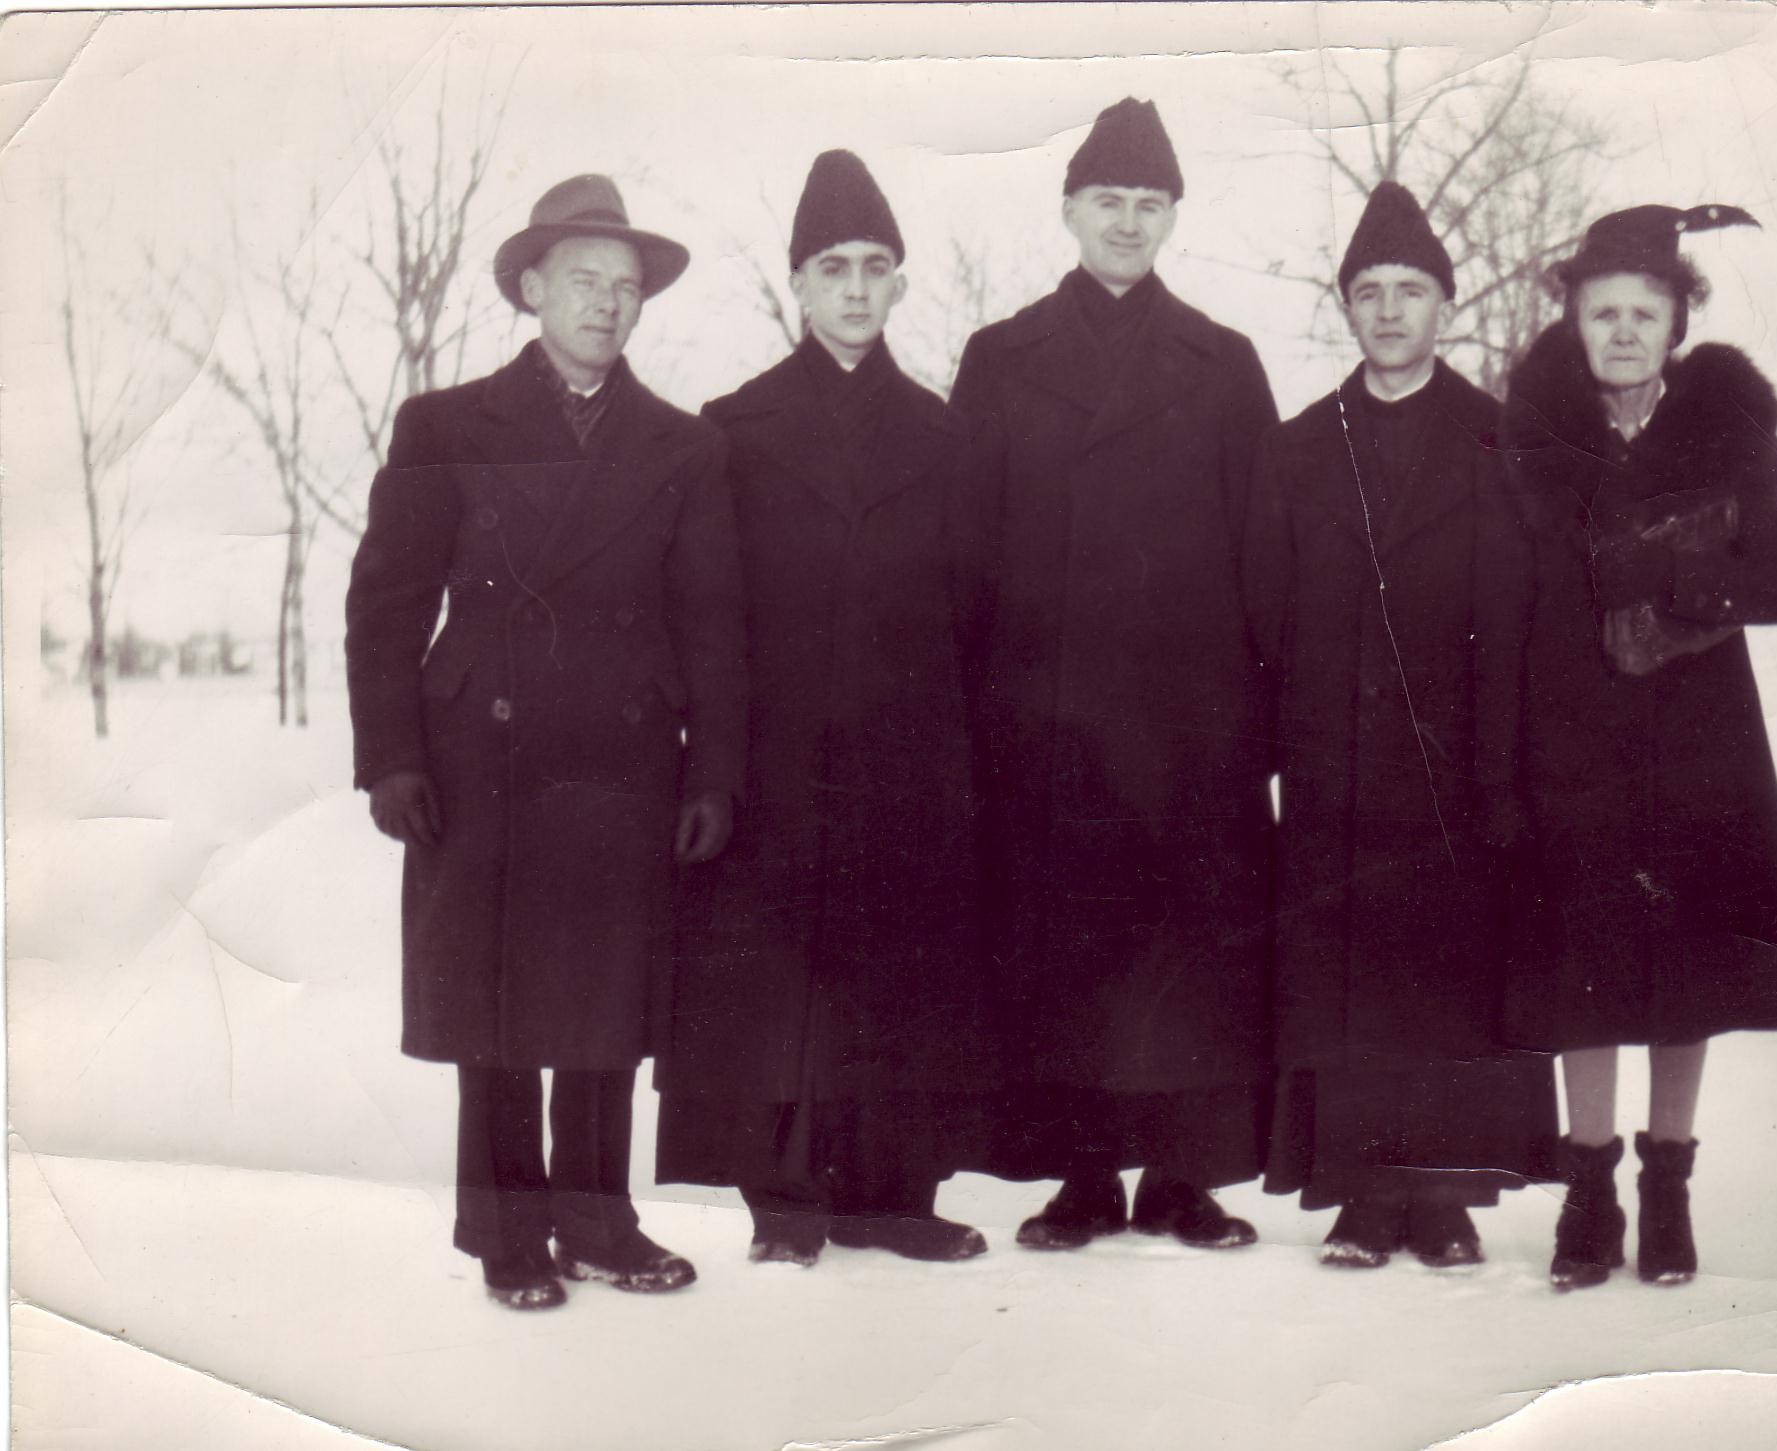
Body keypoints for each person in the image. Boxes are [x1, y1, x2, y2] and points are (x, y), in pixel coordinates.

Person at [345, 175, 747, 1311]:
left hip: (624, 755)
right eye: (584, 281)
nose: (607, 306)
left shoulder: (683, 446)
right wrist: (392, 756)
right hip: (484, 754)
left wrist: (712, 768)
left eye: (626, 288)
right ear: (531, 288)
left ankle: (599, 1219)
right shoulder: (443, 425)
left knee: (607, 998)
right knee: (500, 999)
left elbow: (712, 622)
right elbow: (384, 606)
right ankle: (507, 1229)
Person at [951, 97, 1280, 1251]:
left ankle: (1184, 1176)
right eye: (1108, 201)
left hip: (1192, 723)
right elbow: (965, 555)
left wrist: (1256, 724)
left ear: (1172, 216)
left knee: (1186, 948)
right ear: (1068, 211)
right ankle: (1084, 1174)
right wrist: (983, 713)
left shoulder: (1225, 363)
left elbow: (1265, 558)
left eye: (1148, 203)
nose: (1127, 222)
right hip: (1050, 721)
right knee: (1070, 945)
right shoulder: (999, 360)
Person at [654, 150, 992, 1266]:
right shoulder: (732, 430)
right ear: (797, 284)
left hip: (913, 753)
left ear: (900, 287)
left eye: (876, 267)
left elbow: (979, 617)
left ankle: (895, 1197)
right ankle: (786, 1201)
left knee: (900, 964)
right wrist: (716, 762)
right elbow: (703, 614)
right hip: (780, 756)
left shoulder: (945, 437)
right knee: (780, 974)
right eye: (832, 266)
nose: (855, 287)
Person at [1499, 204, 1777, 1291]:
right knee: (1582, 953)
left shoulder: (1726, 428)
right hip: (1572, 722)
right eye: (1602, 313)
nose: (1623, 331)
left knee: (1686, 954)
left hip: (1694, 727)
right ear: (1573, 323)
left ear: (1678, 323)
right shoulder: (1530, 436)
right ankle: (1588, 1188)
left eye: (1644, 312)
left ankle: (1666, 1182)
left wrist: (1675, 584)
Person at [1247, 182, 1559, 1270]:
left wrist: (1502, 771)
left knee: (1447, 975)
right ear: (1345, 309)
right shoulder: (1295, 448)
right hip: (1334, 765)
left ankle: (1444, 1197)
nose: (1387, 312)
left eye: (1409, 292)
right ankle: (1361, 1196)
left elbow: (1518, 615)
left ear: (1444, 304)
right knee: (1348, 980)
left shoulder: (1495, 437)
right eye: (1367, 292)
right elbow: (1266, 616)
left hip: (1460, 761)